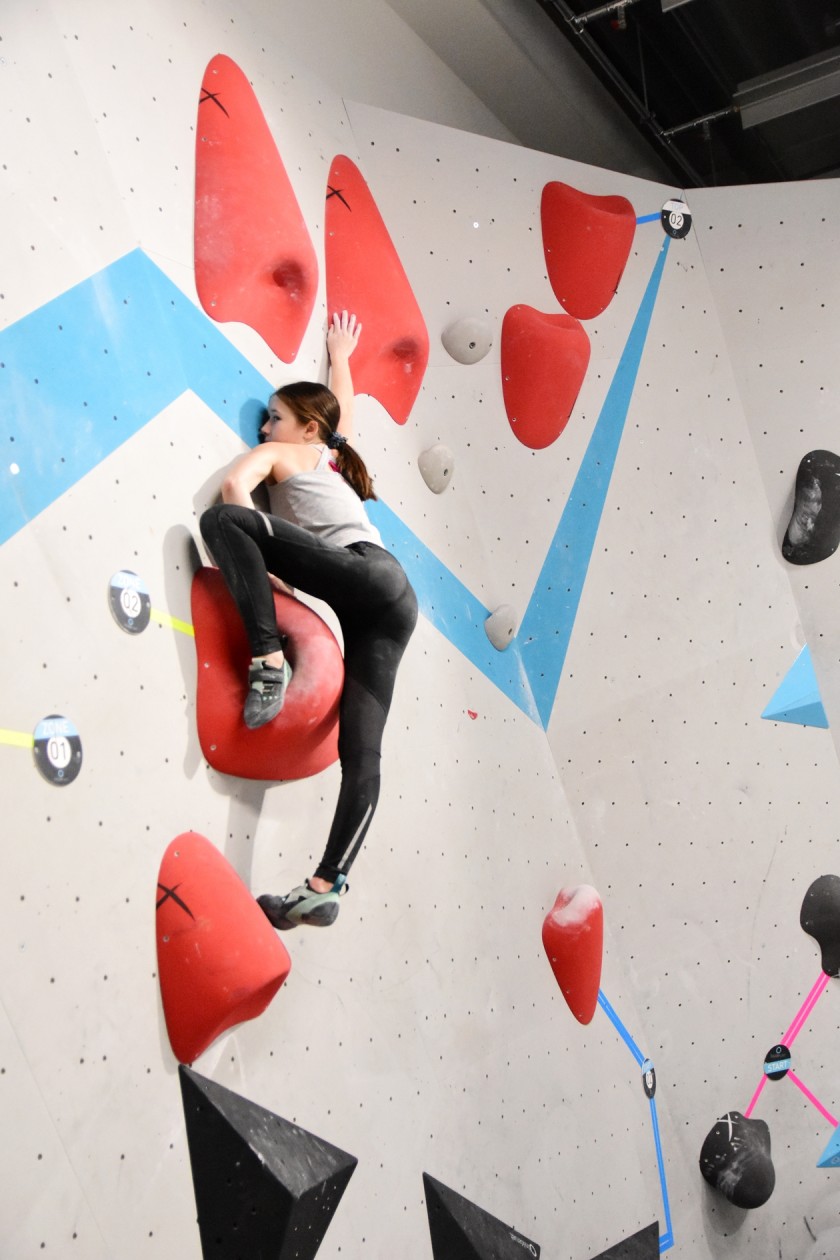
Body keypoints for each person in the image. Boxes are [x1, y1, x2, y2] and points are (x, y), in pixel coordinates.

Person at [199, 312, 418, 930]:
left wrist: (266, 568)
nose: (264, 425)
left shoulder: (284, 451)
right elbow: (342, 411)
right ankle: (326, 884)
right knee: (363, 752)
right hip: (392, 603)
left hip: (363, 574)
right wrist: (341, 355)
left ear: (304, 427)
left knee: (220, 525)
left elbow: (234, 492)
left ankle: (266, 657)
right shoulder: (327, 453)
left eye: (273, 414)